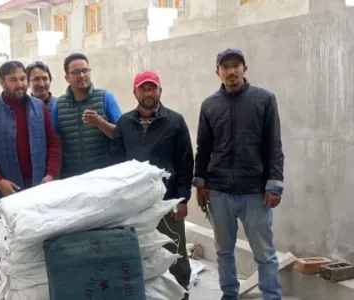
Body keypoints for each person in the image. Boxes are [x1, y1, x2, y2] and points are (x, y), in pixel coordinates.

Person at [193, 49, 285, 300]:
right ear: (218, 72)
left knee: (264, 253)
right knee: (224, 251)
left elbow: (273, 145)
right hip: (219, 192)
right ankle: (230, 294)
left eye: (236, 66)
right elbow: (203, 148)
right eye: (226, 67)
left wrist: (274, 185)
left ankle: (272, 296)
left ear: (245, 68)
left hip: (255, 192)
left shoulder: (264, 99)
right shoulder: (210, 105)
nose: (231, 71)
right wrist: (200, 185)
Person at [111, 71, 193, 298]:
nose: (148, 93)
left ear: (160, 90)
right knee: (140, 253)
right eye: (143, 88)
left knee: (174, 251)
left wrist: (183, 199)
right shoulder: (124, 123)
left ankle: (181, 293)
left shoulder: (175, 121)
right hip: (134, 203)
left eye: (152, 88)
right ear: (135, 92)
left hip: (167, 202)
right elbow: (116, 163)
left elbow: (185, 162)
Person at [0, 60, 60, 203]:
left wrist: (50, 174)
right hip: (7, 191)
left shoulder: (39, 107)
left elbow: (53, 144)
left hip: (39, 186)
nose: (20, 84)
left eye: (23, 79)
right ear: (2, 83)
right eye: (13, 80)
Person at [51, 53, 122, 178]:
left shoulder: (105, 97)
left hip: (104, 175)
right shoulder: (58, 105)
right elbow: (56, 144)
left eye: (85, 70)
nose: (82, 75)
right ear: (67, 77)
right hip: (72, 178)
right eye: (76, 72)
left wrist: (100, 122)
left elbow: (121, 135)